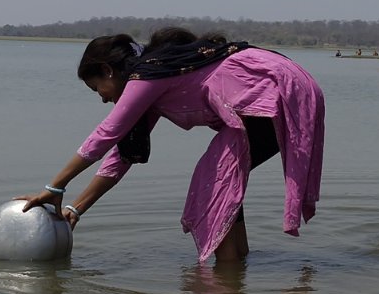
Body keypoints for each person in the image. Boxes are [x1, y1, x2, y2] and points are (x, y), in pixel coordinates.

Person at [19, 28, 325, 264]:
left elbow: (106, 133)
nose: (101, 97)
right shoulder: (157, 77)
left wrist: (56, 186)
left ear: (107, 70)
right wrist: (76, 208)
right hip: (284, 87)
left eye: (96, 87)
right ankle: (233, 282)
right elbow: (121, 156)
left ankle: (225, 281)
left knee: (213, 182)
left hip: (275, 89)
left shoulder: (147, 76)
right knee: (220, 181)